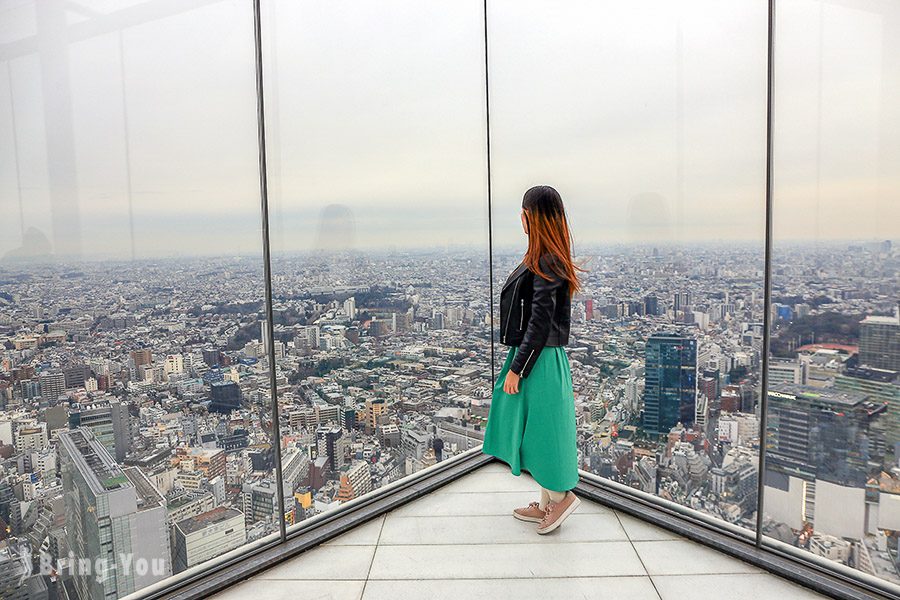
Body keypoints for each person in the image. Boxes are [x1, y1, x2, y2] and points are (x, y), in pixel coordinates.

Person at [482, 185, 586, 535]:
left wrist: (517, 368)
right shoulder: (545, 256)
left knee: (540, 431)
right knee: (537, 429)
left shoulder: (547, 260)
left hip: (538, 359)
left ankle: (561, 498)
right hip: (536, 355)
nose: (521, 218)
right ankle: (545, 503)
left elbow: (540, 322)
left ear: (533, 216)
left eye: (524, 211)